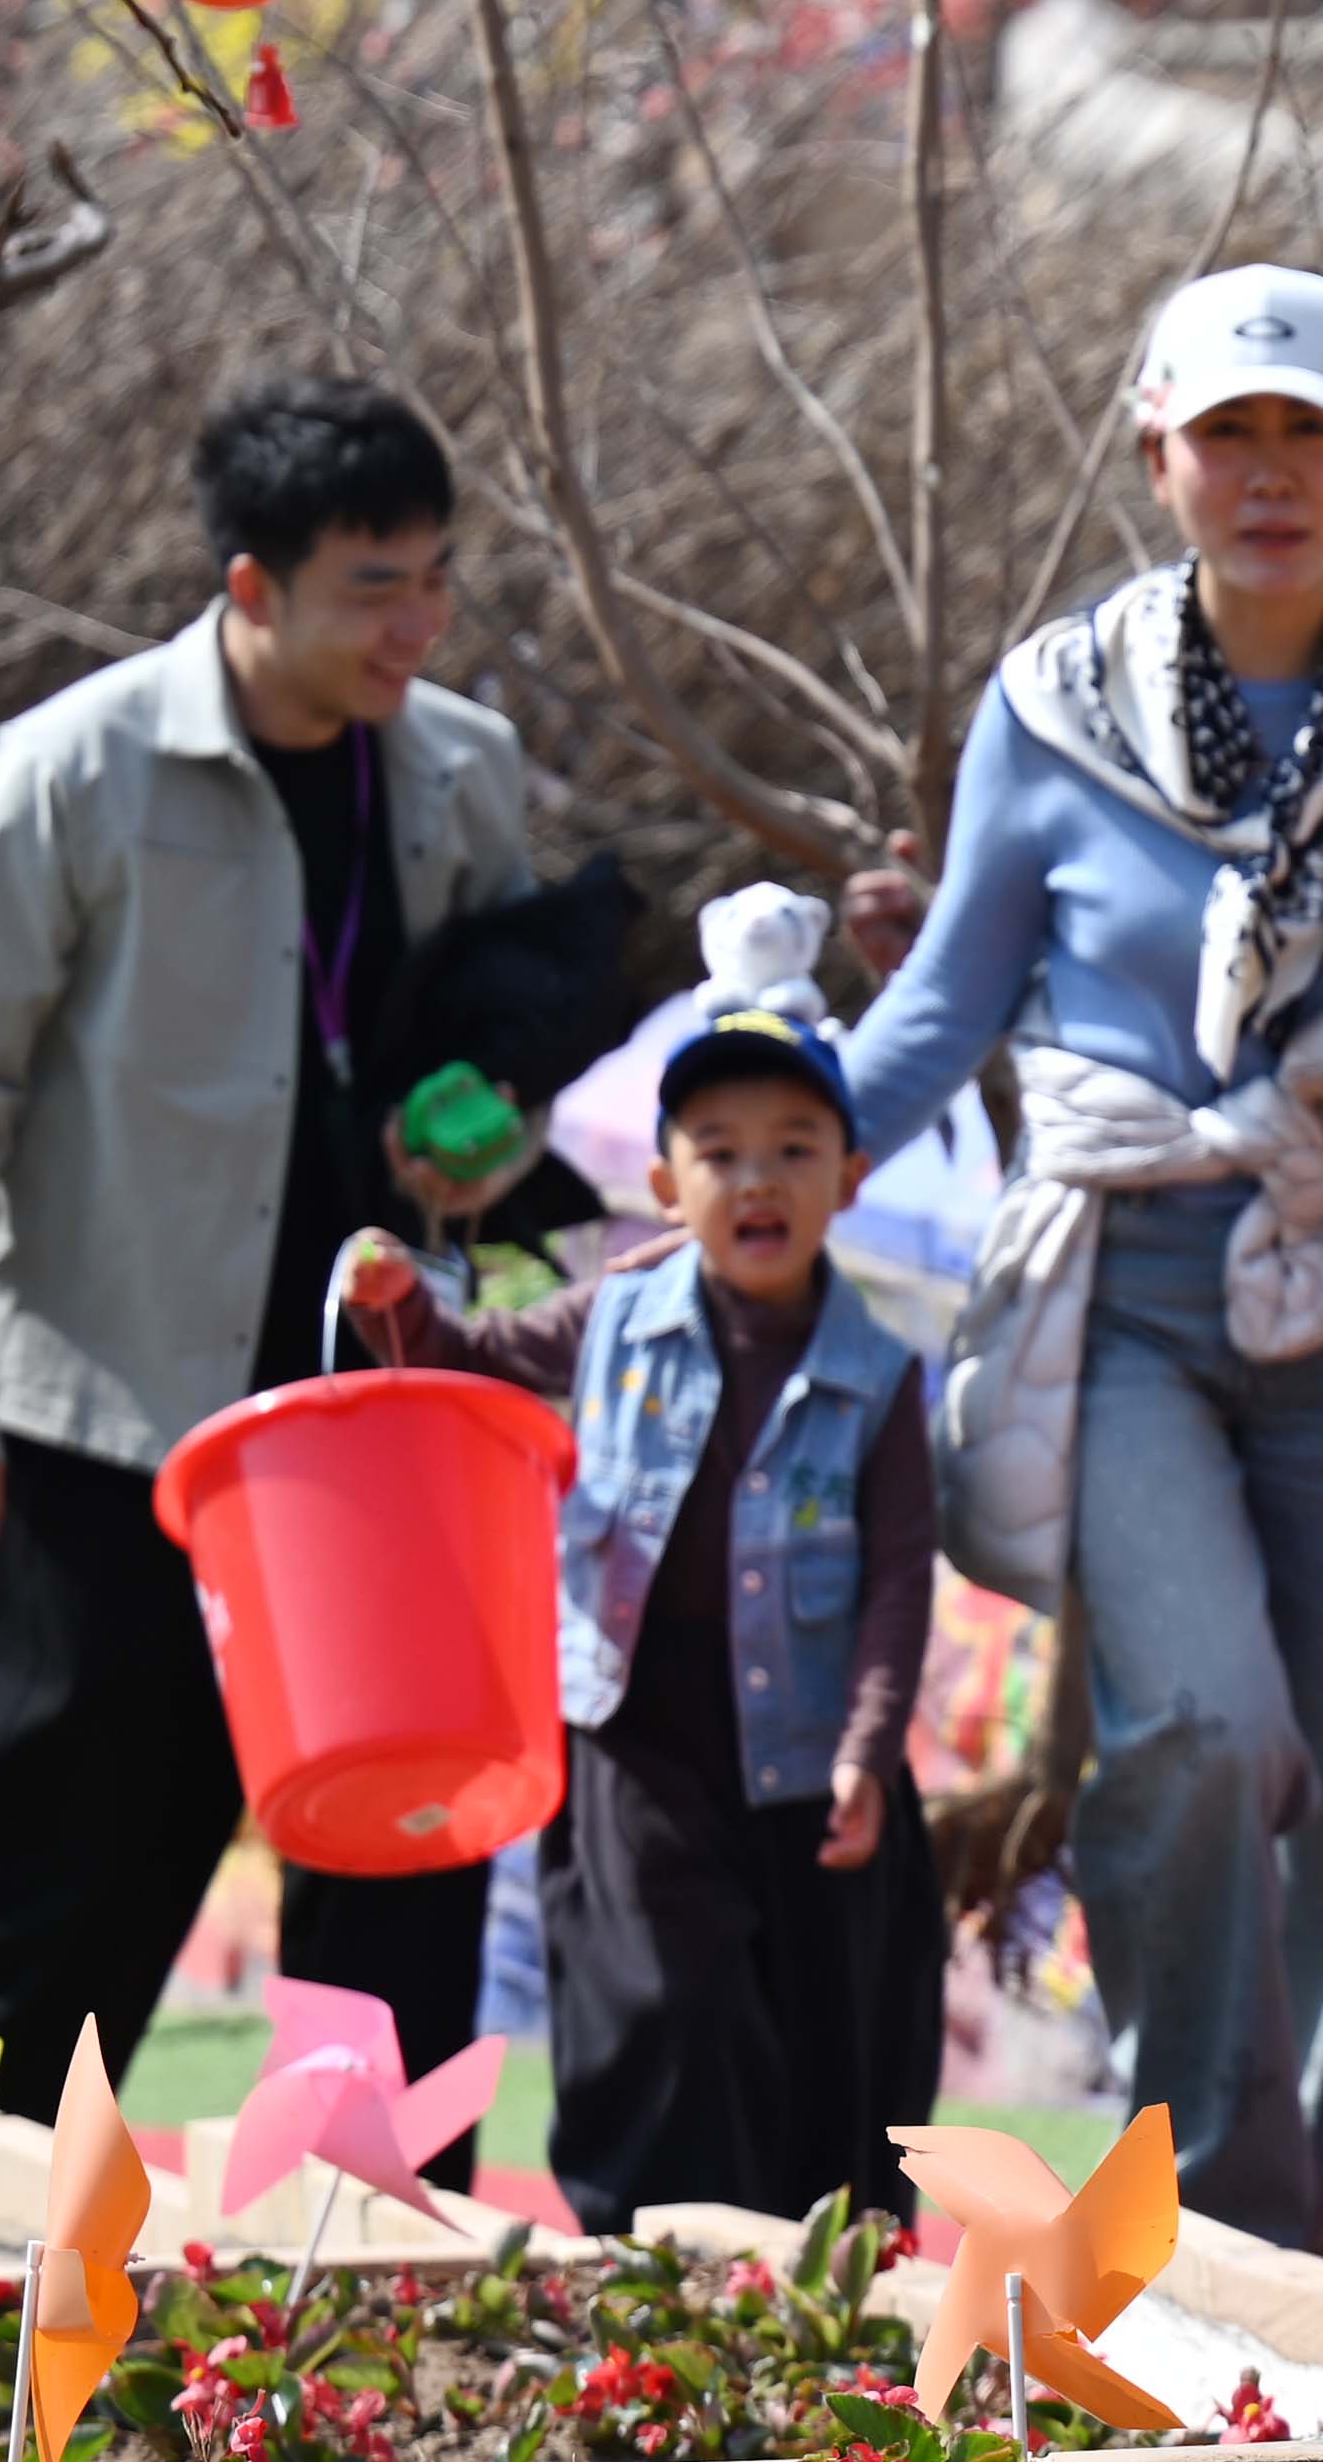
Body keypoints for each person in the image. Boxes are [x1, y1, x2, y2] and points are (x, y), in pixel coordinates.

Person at [834, 269, 1323, 2252]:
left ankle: (1249, 2205)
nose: (1271, 475)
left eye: (1314, 435)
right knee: (1199, 1721)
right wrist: (765, 1139)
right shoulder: (1052, 704)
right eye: (1230, 435)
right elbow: (949, 1001)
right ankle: (1190, 2204)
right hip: (1122, 1286)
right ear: (1156, 454)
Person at [0, 374, 544, 2122]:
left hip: (374, 1430)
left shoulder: (462, 770)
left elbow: (501, 1069)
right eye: (373, 587)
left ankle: (387, 2312)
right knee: (65, 1892)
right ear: (251, 589)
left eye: (437, 579)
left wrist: (487, 1135)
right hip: (114, 1422)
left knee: (399, 1892)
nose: (421, 624)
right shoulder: (77, 768)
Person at [337, 892, 942, 2234]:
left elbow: (902, 1576)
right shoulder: (618, 1309)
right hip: (634, 1739)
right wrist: (405, 1308)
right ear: (667, 1187)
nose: (758, 1180)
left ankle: (806, 2274)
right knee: (670, 1994)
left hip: (805, 1757)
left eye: (795, 1150)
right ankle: (660, 2249)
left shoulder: (881, 1377)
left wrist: (870, 1747)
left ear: (849, 1179)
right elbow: (479, 1367)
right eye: (718, 1152)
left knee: (820, 2037)